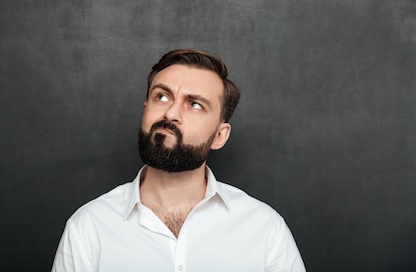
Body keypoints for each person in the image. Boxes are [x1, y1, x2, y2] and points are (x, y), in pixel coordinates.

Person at [51, 49, 305, 272]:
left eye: (195, 104)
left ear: (219, 135)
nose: (170, 113)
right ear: (145, 109)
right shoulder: (88, 227)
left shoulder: (265, 229)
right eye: (161, 97)